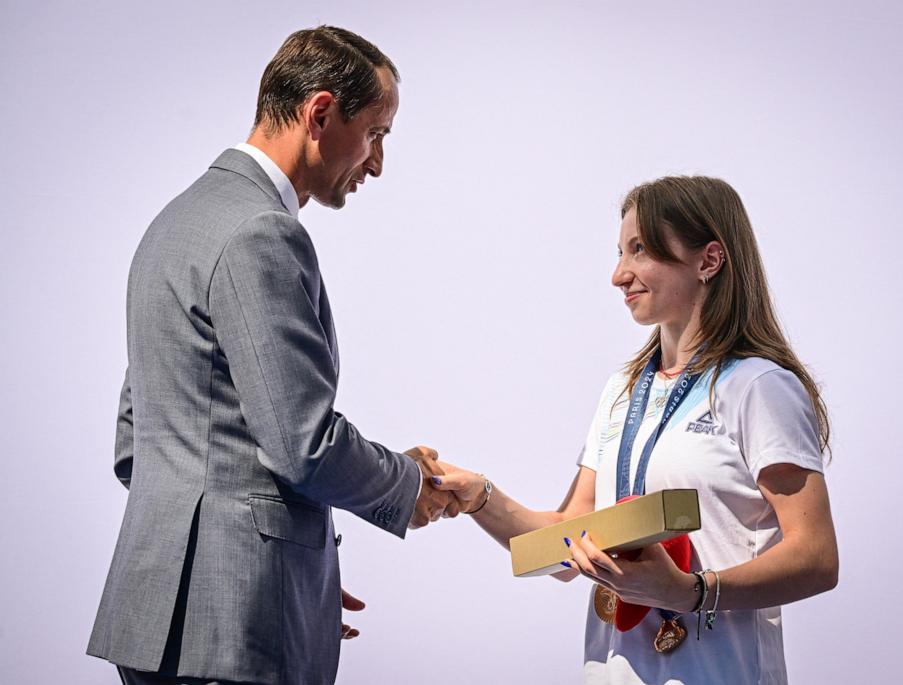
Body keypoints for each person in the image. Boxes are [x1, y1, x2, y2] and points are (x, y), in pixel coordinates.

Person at [86, 26, 453, 685]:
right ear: (319, 113)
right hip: (231, 643)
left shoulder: (173, 222)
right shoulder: (263, 232)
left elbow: (134, 446)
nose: (376, 163)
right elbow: (303, 444)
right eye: (377, 133)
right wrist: (406, 482)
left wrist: (280, 580)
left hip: (157, 631)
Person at [433, 176, 839, 684]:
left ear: (708, 261)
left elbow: (817, 557)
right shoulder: (622, 391)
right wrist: (479, 498)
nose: (618, 275)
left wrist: (691, 592)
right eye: (620, 252)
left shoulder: (758, 386)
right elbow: (567, 544)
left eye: (639, 250)